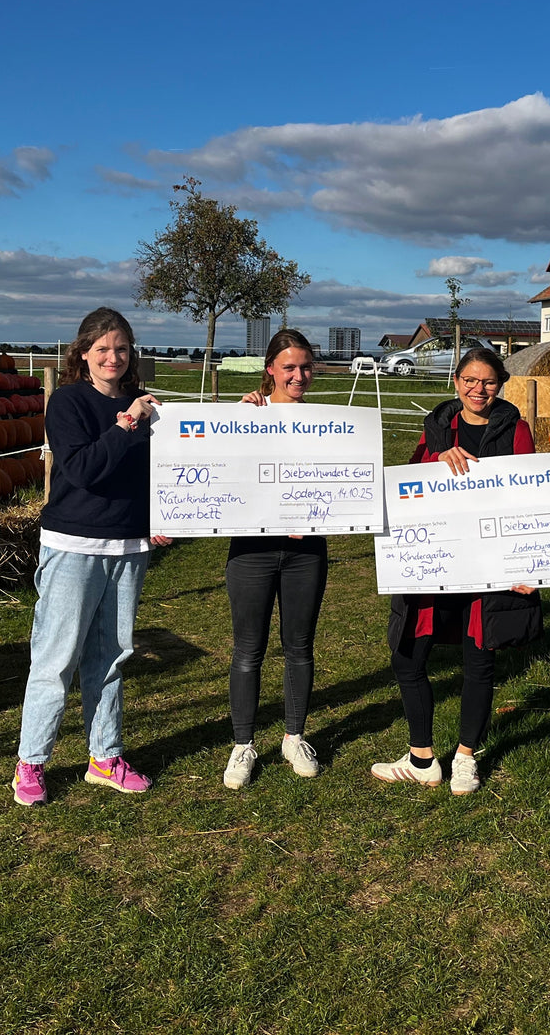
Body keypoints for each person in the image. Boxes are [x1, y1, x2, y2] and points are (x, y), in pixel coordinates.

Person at [10, 307, 170, 805]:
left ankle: (105, 756)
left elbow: (154, 473)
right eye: (102, 349)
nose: (112, 358)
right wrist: (126, 426)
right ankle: (31, 763)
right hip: (73, 545)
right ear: (84, 354)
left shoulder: (147, 410)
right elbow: (83, 471)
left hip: (128, 546)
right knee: (56, 658)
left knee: (112, 656)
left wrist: (163, 515)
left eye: (121, 349)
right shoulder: (68, 402)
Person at [372, 346, 540, 796]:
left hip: (489, 562)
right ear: (456, 382)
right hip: (435, 558)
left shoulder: (516, 430)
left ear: (501, 384)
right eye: (470, 380)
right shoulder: (437, 427)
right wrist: (435, 461)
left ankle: (465, 756)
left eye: (487, 381)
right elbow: (408, 483)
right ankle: (422, 757)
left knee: (478, 659)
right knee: (408, 654)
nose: (478, 389)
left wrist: (527, 561)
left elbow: (530, 495)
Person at [221, 329, 329, 788]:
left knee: (299, 646)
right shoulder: (248, 415)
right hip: (252, 549)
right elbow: (217, 469)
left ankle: (293, 735)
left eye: (305, 367)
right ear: (270, 370)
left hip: (307, 549)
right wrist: (237, 420)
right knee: (248, 648)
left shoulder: (330, 423)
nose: (299, 375)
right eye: (289, 367)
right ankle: (243, 744)